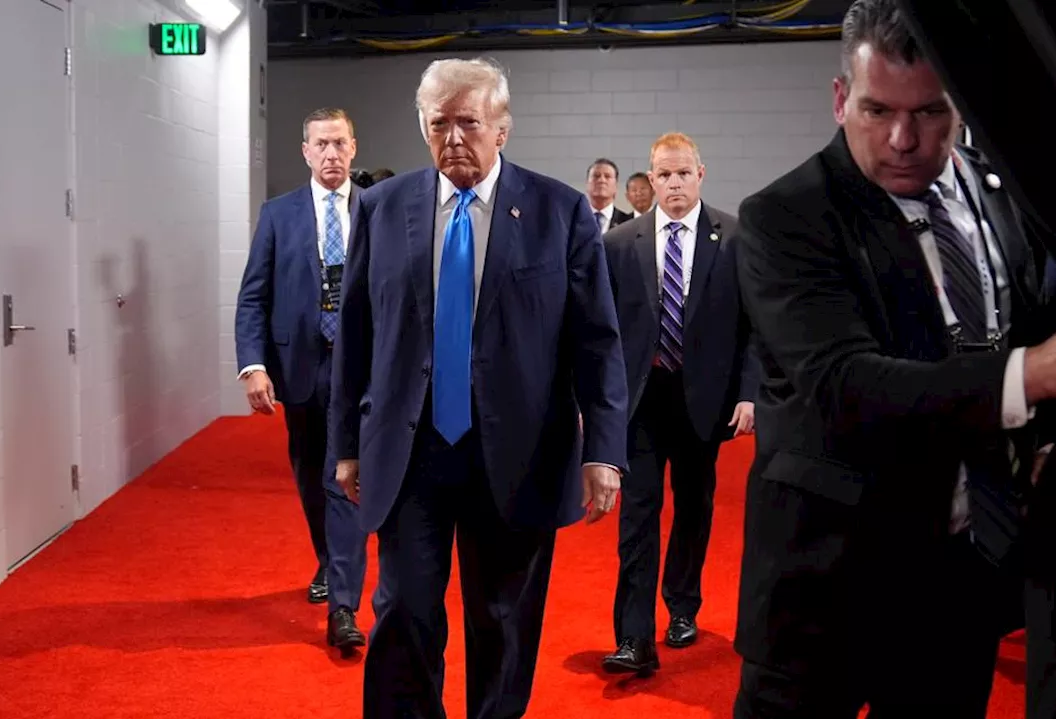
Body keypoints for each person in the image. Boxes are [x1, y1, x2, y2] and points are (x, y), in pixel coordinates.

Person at [725, 0, 1056, 714]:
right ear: (839, 98)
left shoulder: (1000, 191)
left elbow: (1021, 318)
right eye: (877, 110)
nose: (904, 139)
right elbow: (843, 383)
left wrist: (1045, 436)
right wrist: (1034, 373)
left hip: (962, 577)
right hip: (827, 584)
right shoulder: (783, 215)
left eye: (931, 113)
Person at [329, 57, 629, 719]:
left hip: (519, 451)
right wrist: (345, 445)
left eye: (469, 122)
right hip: (411, 451)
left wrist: (603, 450)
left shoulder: (559, 212)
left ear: (503, 128)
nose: (454, 137)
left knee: (502, 621)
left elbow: (597, 340)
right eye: (440, 123)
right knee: (403, 607)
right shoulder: (380, 208)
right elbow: (355, 335)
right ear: (422, 127)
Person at [601, 132, 758, 675]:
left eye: (682, 173)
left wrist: (748, 392)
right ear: (649, 179)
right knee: (637, 516)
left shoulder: (734, 238)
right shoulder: (621, 243)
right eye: (663, 175)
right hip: (641, 400)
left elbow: (752, 328)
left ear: (701, 173)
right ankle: (633, 638)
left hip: (704, 400)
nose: (673, 183)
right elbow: (604, 331)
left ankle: (683, 608)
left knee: (694, 509)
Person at [234, 107, 370, 652]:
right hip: (301, 368)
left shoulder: (379, 209)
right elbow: (253, 295)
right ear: (306, 152)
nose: (332, 153)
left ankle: (344, 605)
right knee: (311, 473)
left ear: (354, 148)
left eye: (340, 143)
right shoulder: (278, 214)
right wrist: (253, 363)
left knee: (345, 477)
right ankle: (328, 560)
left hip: (361, 367)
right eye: (322, 144)